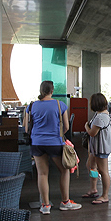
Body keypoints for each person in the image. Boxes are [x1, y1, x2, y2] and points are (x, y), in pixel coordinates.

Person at [24, 81, 81, 214]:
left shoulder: (31, 106)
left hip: (37, 143)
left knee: (42, 173)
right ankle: (65, 202)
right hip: (55, 142)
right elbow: (66, 127)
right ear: (52, 90)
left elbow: (26, 128)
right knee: (64, 171)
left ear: (41, 90)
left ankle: (45, 205)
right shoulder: (59, 105)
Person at [83, 92, 111, 205]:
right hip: (96, 148)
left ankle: (105, 196)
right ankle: (93, 189)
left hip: (101, 148)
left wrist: (86, 127)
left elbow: (92, 133)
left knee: (103, 171)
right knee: (91, 166)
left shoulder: (100, 118)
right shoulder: (102, 114)